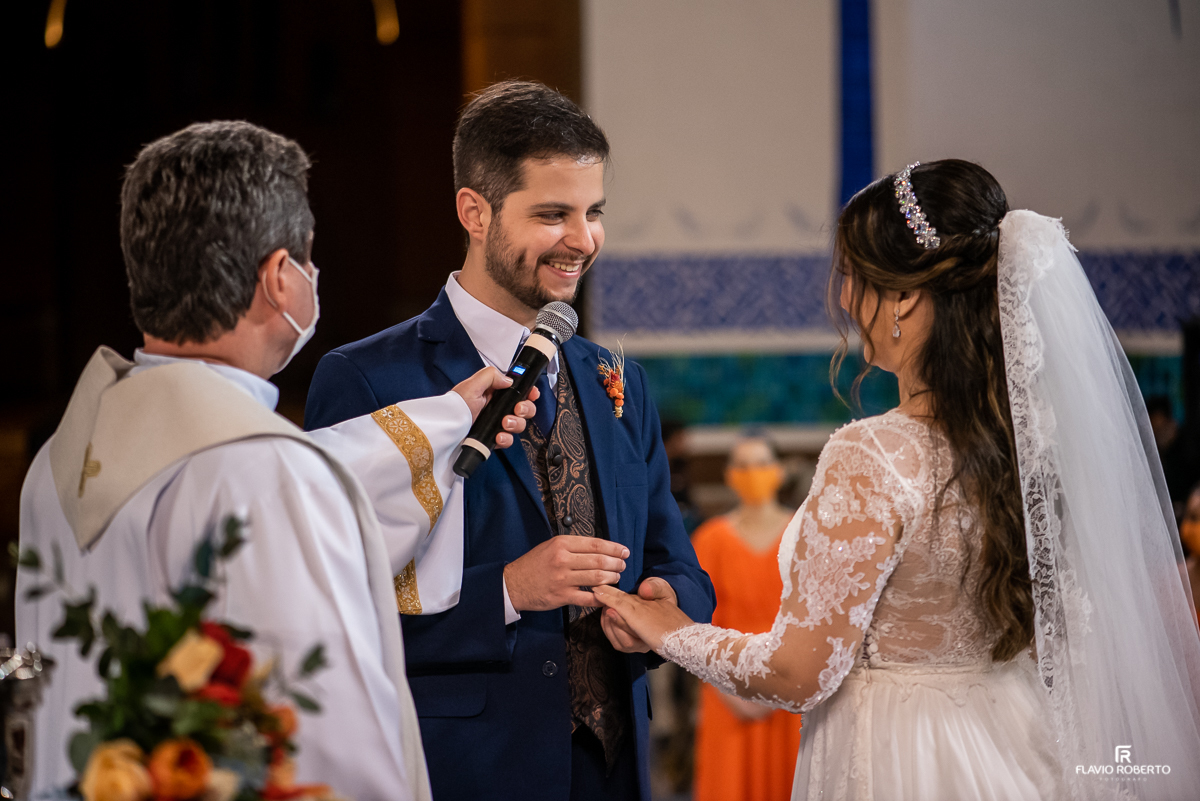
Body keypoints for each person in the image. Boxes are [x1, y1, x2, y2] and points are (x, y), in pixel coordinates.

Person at [594, 160, 1200, 799]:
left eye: (853, 277)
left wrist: (668, 630)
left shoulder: (874, 454)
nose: (845, 300)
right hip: (1014, 741)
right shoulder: (1030, 447)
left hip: (900, 758)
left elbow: (800, 674)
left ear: (905, 296)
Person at [15, 121, 535, 801]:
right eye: (308, 259)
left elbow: (320, 463)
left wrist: (448, 415)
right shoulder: (263, 474)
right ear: (278, 278)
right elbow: (328, 733)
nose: (313, 276)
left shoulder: (59, 461)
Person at [304, 81, 715, 800]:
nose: (583, 241)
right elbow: (328, 613)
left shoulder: (620, 380)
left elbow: (682, 567)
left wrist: (661, 603)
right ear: (475, 212)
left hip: (619, 773)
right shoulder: (370, 379)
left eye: (593, 214)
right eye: (553, 214)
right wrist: (508, 590)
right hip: (470, 768)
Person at [689, 435, 800, 801]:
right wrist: (732, 689)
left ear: (779, 472)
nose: (752, 473)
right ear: (729, 476)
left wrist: (781, 686)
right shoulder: (710, 539)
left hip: (793, 685)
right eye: (743, 465)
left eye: (762, 463)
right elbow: (696, 624)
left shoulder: (804, 536)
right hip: (727, 689)